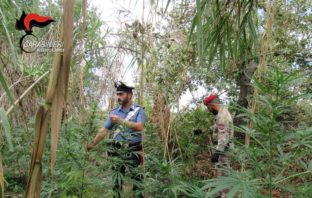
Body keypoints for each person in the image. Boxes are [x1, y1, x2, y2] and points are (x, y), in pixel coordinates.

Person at [87, 81, 146, 198]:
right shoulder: (114, 112)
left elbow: (140, 126)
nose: (118, 97)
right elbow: (104, 130)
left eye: (121, 94)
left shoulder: (139, 110)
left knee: (137, 180)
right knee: (116, 181)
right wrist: (92, 144)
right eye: (117, 94)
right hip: (116, 149)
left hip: (134, 148)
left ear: (129, 94)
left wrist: (120, 121)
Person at [203, 93, 234, 198]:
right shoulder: (222, 113)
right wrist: (203, 130)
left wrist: (217, 153)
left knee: (223, 175)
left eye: (208, 108)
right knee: (220, 174)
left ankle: (224, 195)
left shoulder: (222, 116)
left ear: (212, 105)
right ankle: (220, 194)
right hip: (223, 149)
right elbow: (216, 127)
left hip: (224, 150)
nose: (209, 110)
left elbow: (224, 137)